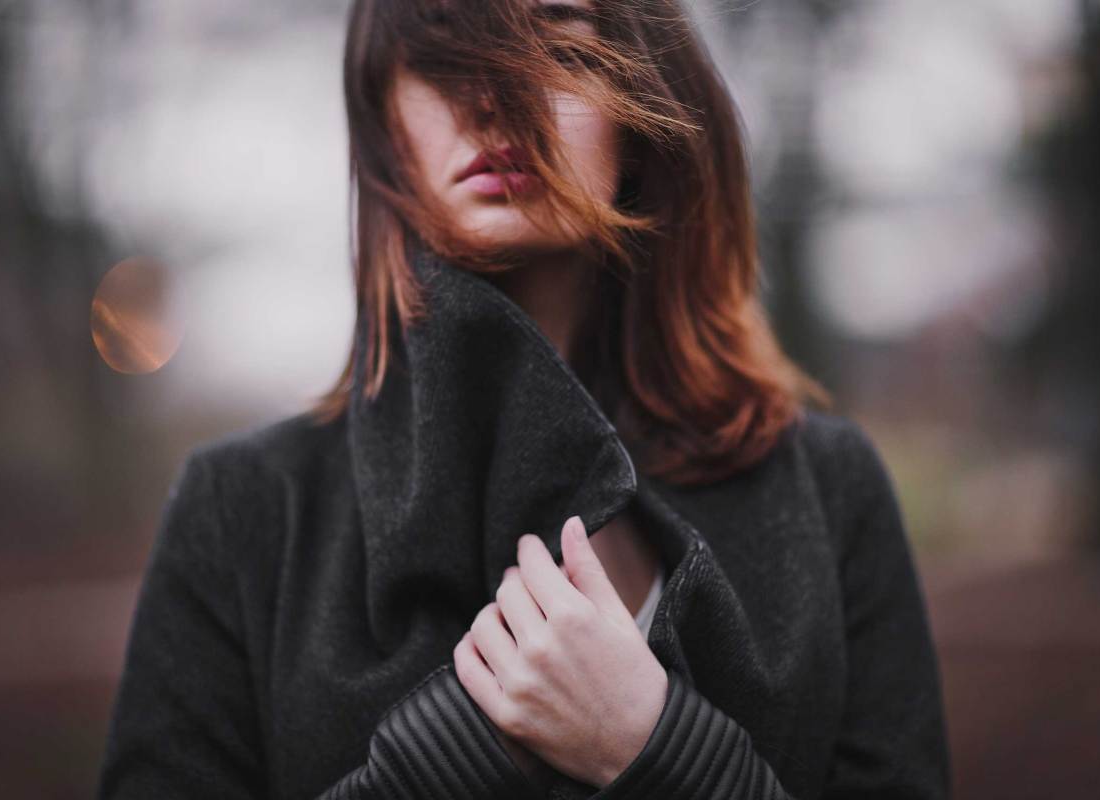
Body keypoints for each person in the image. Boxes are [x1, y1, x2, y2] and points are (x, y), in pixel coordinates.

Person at [97, 1, 951, 798]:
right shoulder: (244, 510)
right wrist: (455, 749)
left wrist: (657, 747)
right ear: (385, 126)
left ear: (642, 93)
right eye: (440, 60)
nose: (491, 98)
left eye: (554, 42)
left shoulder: (827, 490)